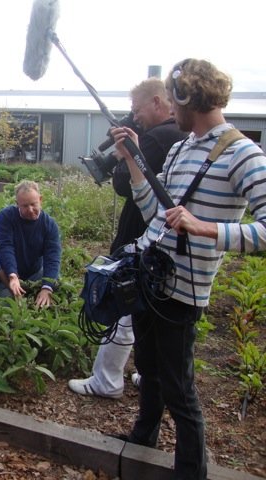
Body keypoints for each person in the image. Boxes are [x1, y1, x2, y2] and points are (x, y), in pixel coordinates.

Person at [112, 59, 266, 479]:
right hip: (149, 276)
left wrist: (205, 227)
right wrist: (131, 158)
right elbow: (153, 213)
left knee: (181, 391)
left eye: (173, 98)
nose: (169, 110)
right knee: (148, 369)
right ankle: (144, 437)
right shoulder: (181, 147)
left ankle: (190, 472)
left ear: (185, 97)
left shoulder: (242, 153)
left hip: (184, 290)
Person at [68, 78, 187, 398]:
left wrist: (123, 157)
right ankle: (153, 376)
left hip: (140, 233)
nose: (135, 117)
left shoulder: (158, 137)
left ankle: (106, 380)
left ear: (159, 103)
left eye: (137, 110)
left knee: (121, 306)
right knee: (151, 312)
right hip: (167, 236)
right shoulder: (181, 138)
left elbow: (123, 184)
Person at [0, 180, 62, 308]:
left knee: (55, 283)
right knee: (6, 303)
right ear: (17, 204)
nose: (30, 210)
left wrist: (47, 288)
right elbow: (4, 247)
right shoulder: (6, 217)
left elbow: (52, 256)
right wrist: (12, 275)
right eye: (25, 206)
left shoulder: (49, 224)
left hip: (35, 273)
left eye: (33, 204)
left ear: (40, 200)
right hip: (8, 275)